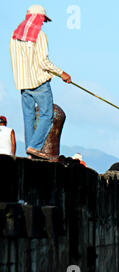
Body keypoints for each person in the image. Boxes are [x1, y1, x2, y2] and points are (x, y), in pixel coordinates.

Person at [10, 5, 71, 160]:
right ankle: (35, 147)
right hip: (39, 82)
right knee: (47, 115)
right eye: (43, 20)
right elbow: (43, 62)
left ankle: (30, 151)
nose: (42, 23)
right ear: (40, 18)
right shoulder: (40, 35)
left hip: (23, 82)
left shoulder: (15, 36)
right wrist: (61, 73)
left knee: (29, 116)